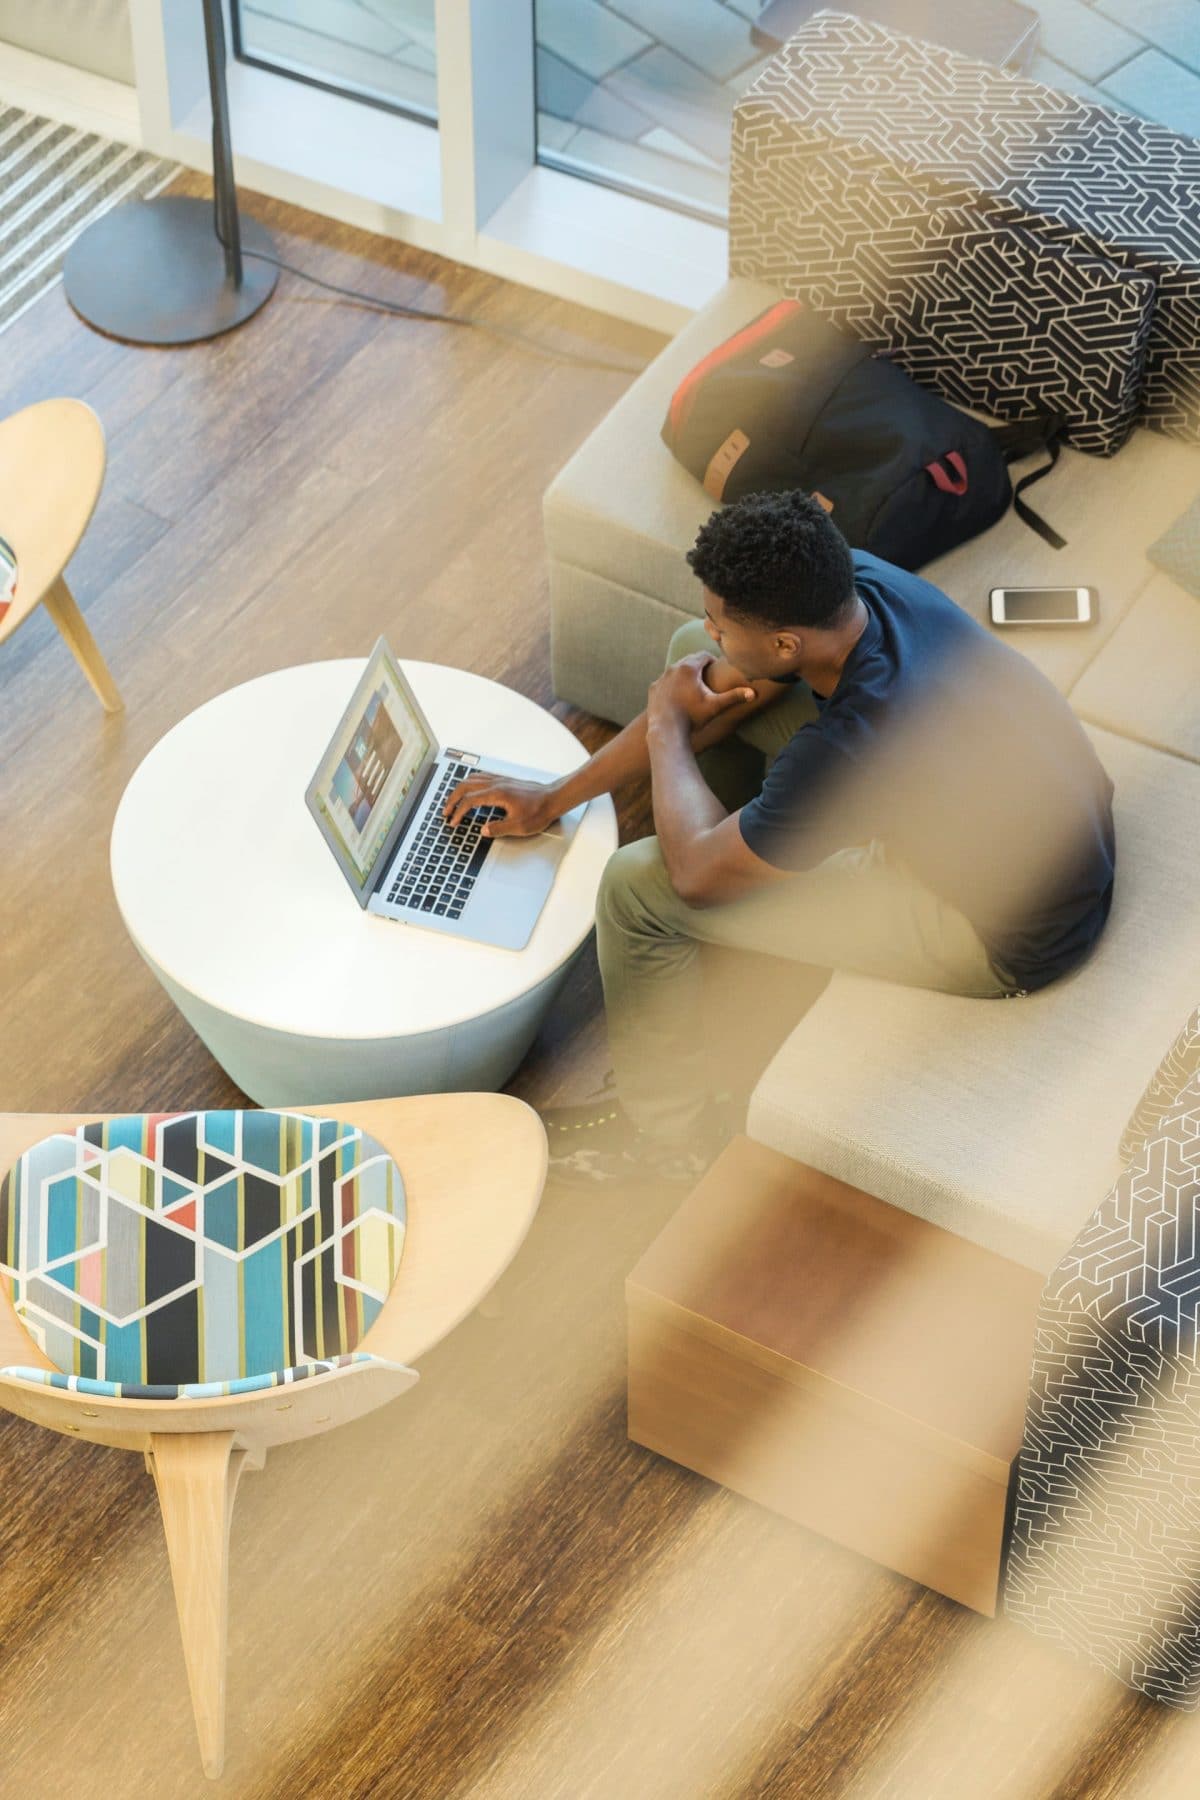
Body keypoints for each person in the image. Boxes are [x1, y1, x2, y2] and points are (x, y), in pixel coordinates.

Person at [444, 491, 1116, 1184]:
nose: (711, 630)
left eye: (721, 622)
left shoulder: (857, 739)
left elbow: (693, 876)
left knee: (635, 887)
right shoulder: (854, 583)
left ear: (787, 643)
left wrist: (667, 727)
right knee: (688, 661)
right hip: (1045, 825)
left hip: (1001, 930)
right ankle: (748, 855)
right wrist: (554, 798)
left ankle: (665, 1137)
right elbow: (721, 675)